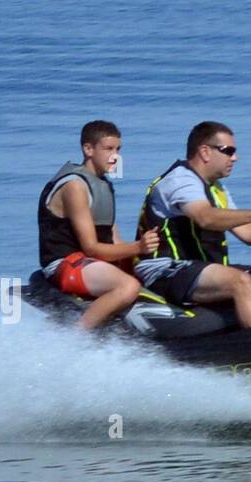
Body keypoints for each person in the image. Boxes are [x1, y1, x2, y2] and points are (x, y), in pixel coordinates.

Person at [134, 121, 251, 328]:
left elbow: (249, 233)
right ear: (205, 152)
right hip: (164, 270)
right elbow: (205, 217)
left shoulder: (216, 189)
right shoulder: (181, 181)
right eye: (228, 151)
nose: (235, 158)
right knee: (239, 282)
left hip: (195, 269)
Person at [37, 120, 159, 329]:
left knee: (149, 273)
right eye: (108, 149)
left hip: (91, 262)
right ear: (88, 149)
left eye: (118, 149)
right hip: (64, 263)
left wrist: (145, 255)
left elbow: (114, 241)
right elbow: (91, 247)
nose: (115, 156)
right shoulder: (75, 186)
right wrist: (139, 246)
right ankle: (76, 338)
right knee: (128, 286)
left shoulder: (104, 185)